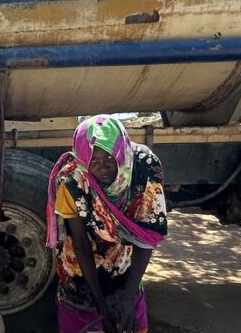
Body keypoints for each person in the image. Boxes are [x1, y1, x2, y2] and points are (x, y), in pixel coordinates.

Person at [47, 115, 168, 333]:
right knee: (80, 312)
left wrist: (128, 296)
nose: (103, 168)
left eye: (110, 159)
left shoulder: (144, 168)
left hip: (123, 264)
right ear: (83, 160)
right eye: (93, 161)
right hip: (80, 273)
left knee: (129, 317)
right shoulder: (71, 181)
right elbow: (80, 243)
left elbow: (147, 232)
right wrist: (101, 306)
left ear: (122, 151)